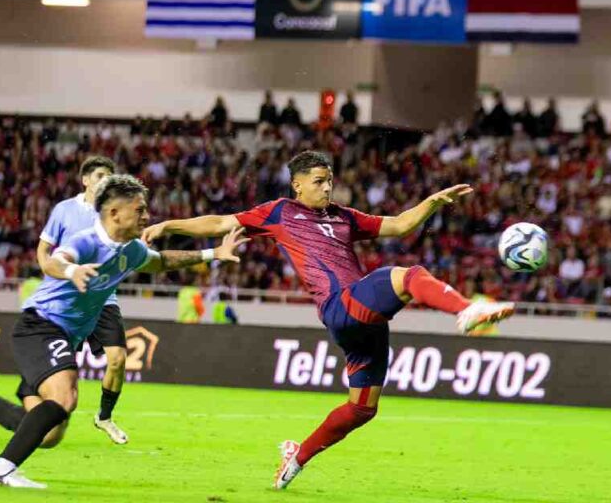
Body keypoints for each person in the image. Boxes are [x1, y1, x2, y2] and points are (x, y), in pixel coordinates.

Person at [142, 151, 515, 490]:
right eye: (318, 181)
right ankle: (466, 310)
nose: (327, 187)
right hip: (340, 306)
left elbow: (400, 225)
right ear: (297, 184)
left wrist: (431, 204)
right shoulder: (279, 213)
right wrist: (169, 225)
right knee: (409, 275)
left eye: (330, 180)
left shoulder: (345, 217)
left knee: (362, 408)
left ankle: (297, 457)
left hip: (364, 322)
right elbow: (220, 222)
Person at [0, 175, 248, 488]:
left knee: (48, 433)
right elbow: (55, 260)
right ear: (114, 213)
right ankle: (0, 471)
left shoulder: (130, 249)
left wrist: (212, 254)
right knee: (66, 396)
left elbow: (159, 261)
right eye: (139, 209)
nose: (147, 216)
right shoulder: (87, 242)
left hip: (63, 336)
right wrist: (71, 270)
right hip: (41, 326)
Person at [35, 155, 131, 444]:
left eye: (110, 177)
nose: (106, 181)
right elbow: (44, 251)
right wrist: (55, 272)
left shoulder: (114, 213)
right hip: (68, 299)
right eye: (101, 175)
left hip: (103, 297)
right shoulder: (64, 210)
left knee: (118, 358)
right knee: (61, 372)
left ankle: (104, 416)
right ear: (86, 180)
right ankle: (41, 411)